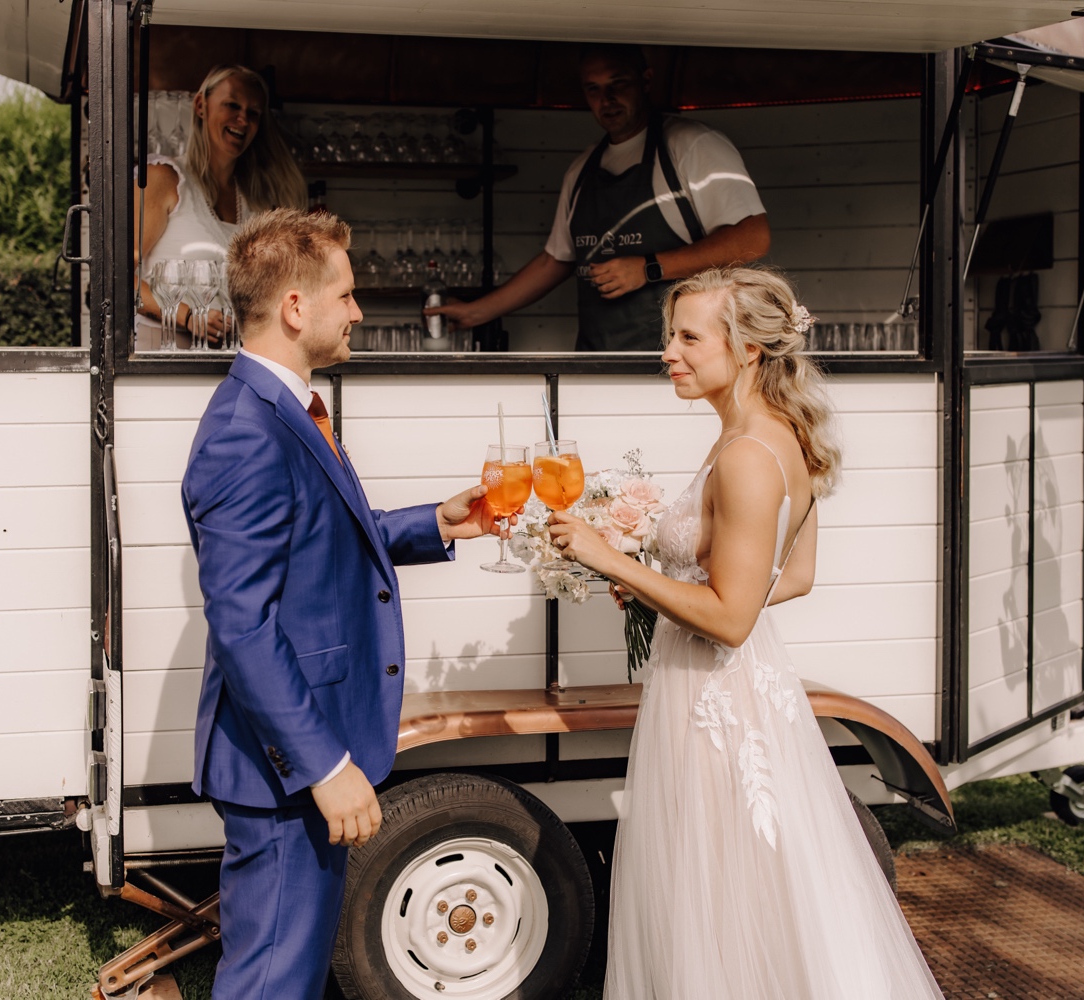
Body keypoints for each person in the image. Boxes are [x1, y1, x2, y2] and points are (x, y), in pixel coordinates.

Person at [547, 268, 944, 997]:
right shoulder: (773, 437)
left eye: (688, 337)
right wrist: (657, 590)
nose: (668, 351)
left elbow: (731, 618)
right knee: (752, 892)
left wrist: (614, 561)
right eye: (670, 335)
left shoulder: (746, 457)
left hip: (713, 702)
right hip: (736, 696)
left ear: (749, 349)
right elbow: (791, 579)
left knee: (716, 893)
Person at [181, 209, 511, 999]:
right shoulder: (246, 432)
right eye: (348, 295)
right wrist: (324, 765)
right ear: (296, 306)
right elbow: (242, 623)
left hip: (303, 749)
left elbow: (321, 542)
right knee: (271, 982)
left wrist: (436, 523)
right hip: (285, 766)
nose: (359, 312)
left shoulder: (283, 409)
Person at [426, 44, 770, 351]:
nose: (606, 100)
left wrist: (648, 268)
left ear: (645, 80)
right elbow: (555, 261)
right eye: (593, 89)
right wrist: (475, 312)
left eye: (617, 83)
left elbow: (752, 237)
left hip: (680, 365)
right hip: (594, 360)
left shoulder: (692, 145)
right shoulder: (581, 170)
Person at [135, 65, 307, 349]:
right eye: (232, 105)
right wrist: (188, 316)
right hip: (163, 350)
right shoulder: (163, 178)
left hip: (228, 355)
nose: (242, 119)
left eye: (253, 113)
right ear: (201, 106)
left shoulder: (256, 201)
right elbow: (118, 277)